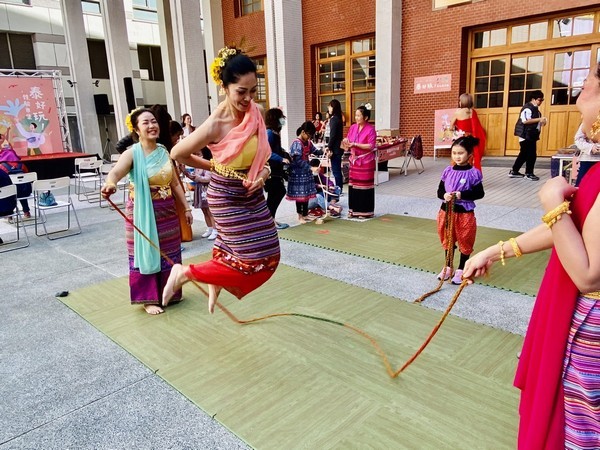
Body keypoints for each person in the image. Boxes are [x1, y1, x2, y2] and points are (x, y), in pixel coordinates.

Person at [462, 63, 600, 449]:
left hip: (592, 329)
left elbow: (589, 274)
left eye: (587, 87)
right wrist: (497, 249)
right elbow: (573, 228)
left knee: (583, 429)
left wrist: (551, 202)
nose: (577, 99)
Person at [162, 46, 279, 314]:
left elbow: (264, 159)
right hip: (225, 196)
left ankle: (214, 278)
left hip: (251, 192)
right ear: (225, 87)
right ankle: (184, 273)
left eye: (253, 90)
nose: (248, 98)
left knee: (271, 254)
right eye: (241, 91)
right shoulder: (216, 123)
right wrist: (213, 165)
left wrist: (261, 176)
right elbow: (178, 152)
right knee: (254, 261)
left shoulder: (256, 113)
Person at [101, 108, 193, 315]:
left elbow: (175, 182)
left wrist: (186, 208)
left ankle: (170, 293)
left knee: (169, 251)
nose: (152, 126)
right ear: (136, 129)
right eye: (146, 123)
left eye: (154, 121)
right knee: (144, 252)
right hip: (142, 212)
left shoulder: (163, 151)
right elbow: (115, 172)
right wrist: (110, 183)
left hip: (167, 211)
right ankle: (148, 298)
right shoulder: (132, 153)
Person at [435, 136, 484, 284]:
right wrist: (444, 195)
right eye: (454, 153)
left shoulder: (473, 173)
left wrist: (463, 195)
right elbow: (439, 190)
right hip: (447, 211)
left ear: (469, 154)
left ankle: (462, 268)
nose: (457, 156)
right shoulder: (448, 171)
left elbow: (479, 193)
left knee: (465, 239)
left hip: (464, 213)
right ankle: (448, 266)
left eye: (460, 153)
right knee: (448, 238)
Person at [342, 105, 377, 218]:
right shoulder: (353, 127)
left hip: (366, 161)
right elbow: (348, 138)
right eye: (356, 115)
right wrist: (346, 141)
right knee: (353, 186)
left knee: (364, 186)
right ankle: (353, 210)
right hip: (354, 161)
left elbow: (371, 146)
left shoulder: (371, 129)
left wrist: (355, 144)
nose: (356, 118)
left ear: (365, 117)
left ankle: (365, 211)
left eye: (358, 115)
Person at [286, 121, 322, 223]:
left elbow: (315, 151)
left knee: (306, 194)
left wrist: (324, 151)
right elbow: (297, 160)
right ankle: (300, 215)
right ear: (303, 132)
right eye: (309, 134)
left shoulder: (308, 143)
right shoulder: (297, 144)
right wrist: (311, 168)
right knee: (300, 196)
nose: (309, 137)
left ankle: (305, 214)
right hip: (297, 174)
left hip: (305, 172)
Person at [509, 90, 547, 181]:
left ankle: (514, 171)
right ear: (533, 99)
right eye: (539, 100)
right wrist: (540, 119)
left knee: (524, 154)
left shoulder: (535, 109)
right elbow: (525, 120)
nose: (541, 102)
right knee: (531, 155)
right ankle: (529, 173)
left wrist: (542, 122)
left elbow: (537, 122)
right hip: (526, 135)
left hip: (531, 135)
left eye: (542, 100)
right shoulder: (527, 108)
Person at [264, 107, 291, 230]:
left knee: (275, 193)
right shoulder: (270, 133)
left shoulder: (274, 133)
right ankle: (269, 220)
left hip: (275, 169)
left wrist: (284, 154)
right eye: (281, 117)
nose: (283, 119)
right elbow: (266, 151)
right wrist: (281, 159)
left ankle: (270, 220)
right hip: (271, 170)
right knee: (278, 192)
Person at [185, 147, 218, 240]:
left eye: (198, 154)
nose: (196, 157)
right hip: (199, 189)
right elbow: (195, 177)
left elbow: (207, 178)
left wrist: (196, 177)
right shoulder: (197, 166)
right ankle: (210, 228)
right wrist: (188, 174)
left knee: (209, 210)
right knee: (204, 210)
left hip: (206, 189)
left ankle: (215, 230)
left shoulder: (207, 165)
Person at [449, 93, 486, 172]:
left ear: (462, 101)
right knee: (471, 157)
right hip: (472, 138)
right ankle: (471, 175)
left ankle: (457, 174)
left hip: (461, 137)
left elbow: (451, 126)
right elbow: (477, 126)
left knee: (458, 157)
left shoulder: (458, 112)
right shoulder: (472, 111)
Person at [327, 99, 344, 189]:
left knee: (336, 170)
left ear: (333, 107)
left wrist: (328, 147)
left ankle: (338, 188)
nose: (328, 108)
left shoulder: (333, 119)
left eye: (329, 106)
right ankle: (339, 187)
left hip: (335, 149)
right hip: (339, 148)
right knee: (337, 170)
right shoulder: (339, 118)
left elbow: (332, 135)